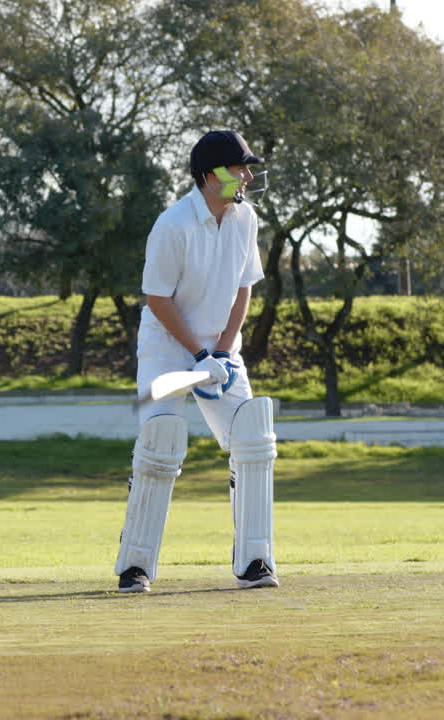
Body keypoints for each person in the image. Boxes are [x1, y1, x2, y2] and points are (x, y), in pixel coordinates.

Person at [116, 129, 279, 593]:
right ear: (211, 176)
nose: (248, 176)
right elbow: (157, 299)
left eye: (248, 167)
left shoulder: (246, 218)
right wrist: (198, 354)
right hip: (168, 346)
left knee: (252, 441)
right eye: (239, 168)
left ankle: (254, 562)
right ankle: (136, 566)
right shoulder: (172, 225)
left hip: (221, 348)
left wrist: (223, 352)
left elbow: (245, 286)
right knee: (159, 444)